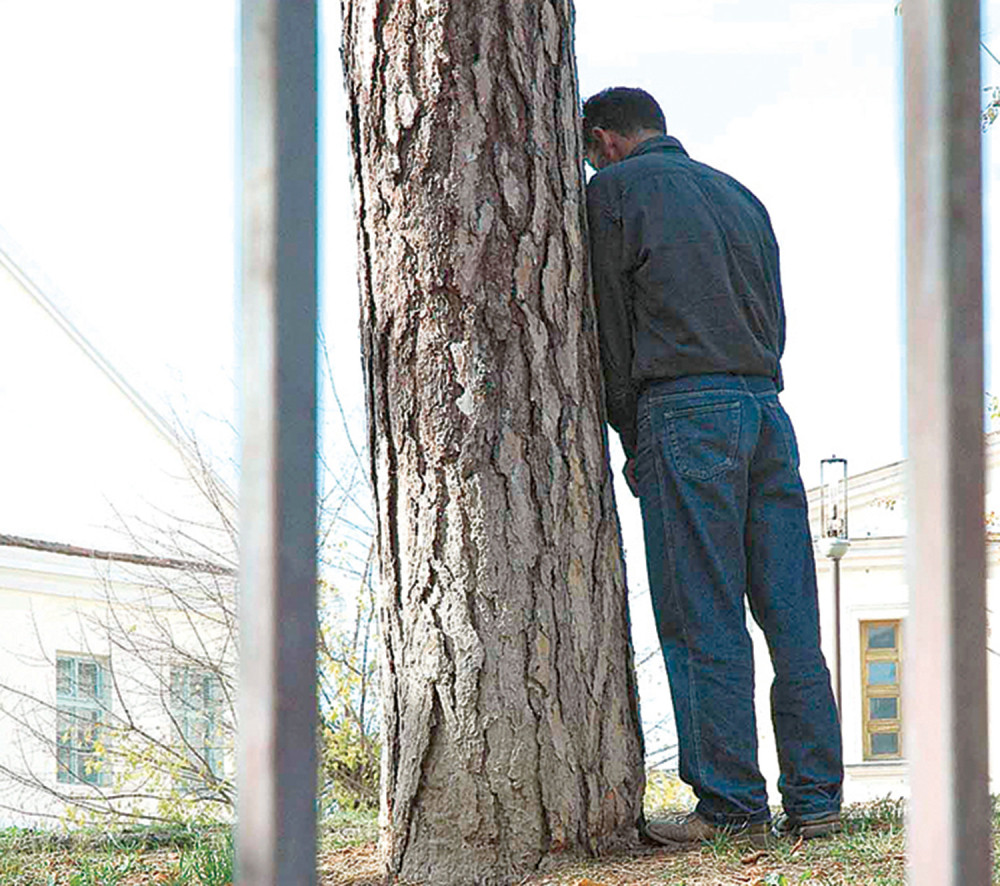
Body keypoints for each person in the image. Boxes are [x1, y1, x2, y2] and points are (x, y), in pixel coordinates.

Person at [582, 86, 843, 845]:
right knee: (792, 615)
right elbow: (776, 315)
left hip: (685, 409)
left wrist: (631, 429)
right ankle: (817, 802)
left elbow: (608, 319)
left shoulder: (616, 191)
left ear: (605, 139)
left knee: (704, 617)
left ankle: (730, 807)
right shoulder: (740, 196)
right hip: (767, 408)